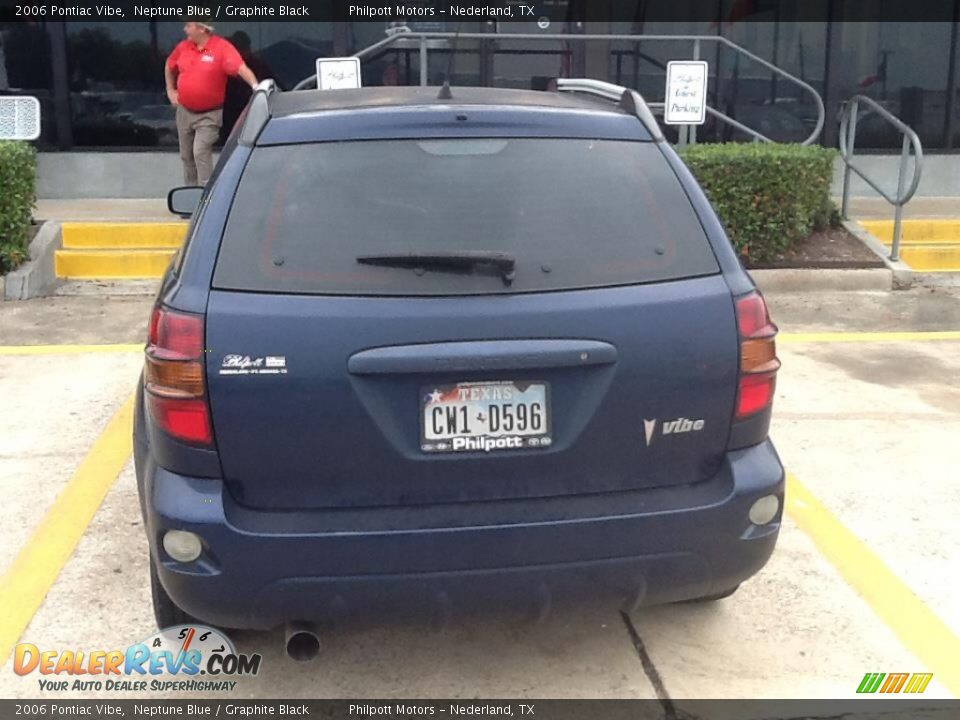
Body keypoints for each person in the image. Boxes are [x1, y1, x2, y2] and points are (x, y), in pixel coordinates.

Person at [165, 20, 258, 186]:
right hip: (184, 111)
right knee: (187, 156)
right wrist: (170, 90)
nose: (184, 29)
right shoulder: (183, 47)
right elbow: (169, 64)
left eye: (189, 25)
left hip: (209, 115)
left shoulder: (221, 48)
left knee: (200, 151)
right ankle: (189, 197)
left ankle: (205, 196)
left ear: (202, 29)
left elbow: (240, 67)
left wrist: (256, 87)